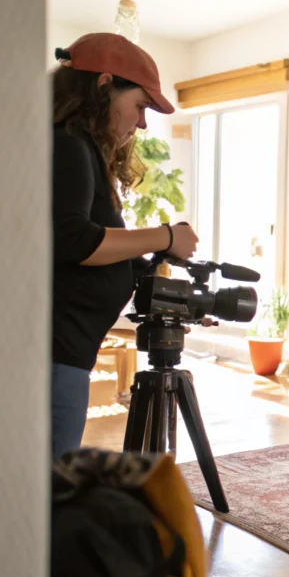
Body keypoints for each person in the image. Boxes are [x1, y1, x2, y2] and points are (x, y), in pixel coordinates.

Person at [51, 33, 198, 458]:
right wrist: (165, 235)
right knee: (49, 490)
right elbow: (73, 239)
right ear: (103, 85)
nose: (141, 123)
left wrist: (141, 260)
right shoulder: (68, 145)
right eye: (139, 106)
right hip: (58, 356)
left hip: (67, 354)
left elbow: (84, 250)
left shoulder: (75, 148)